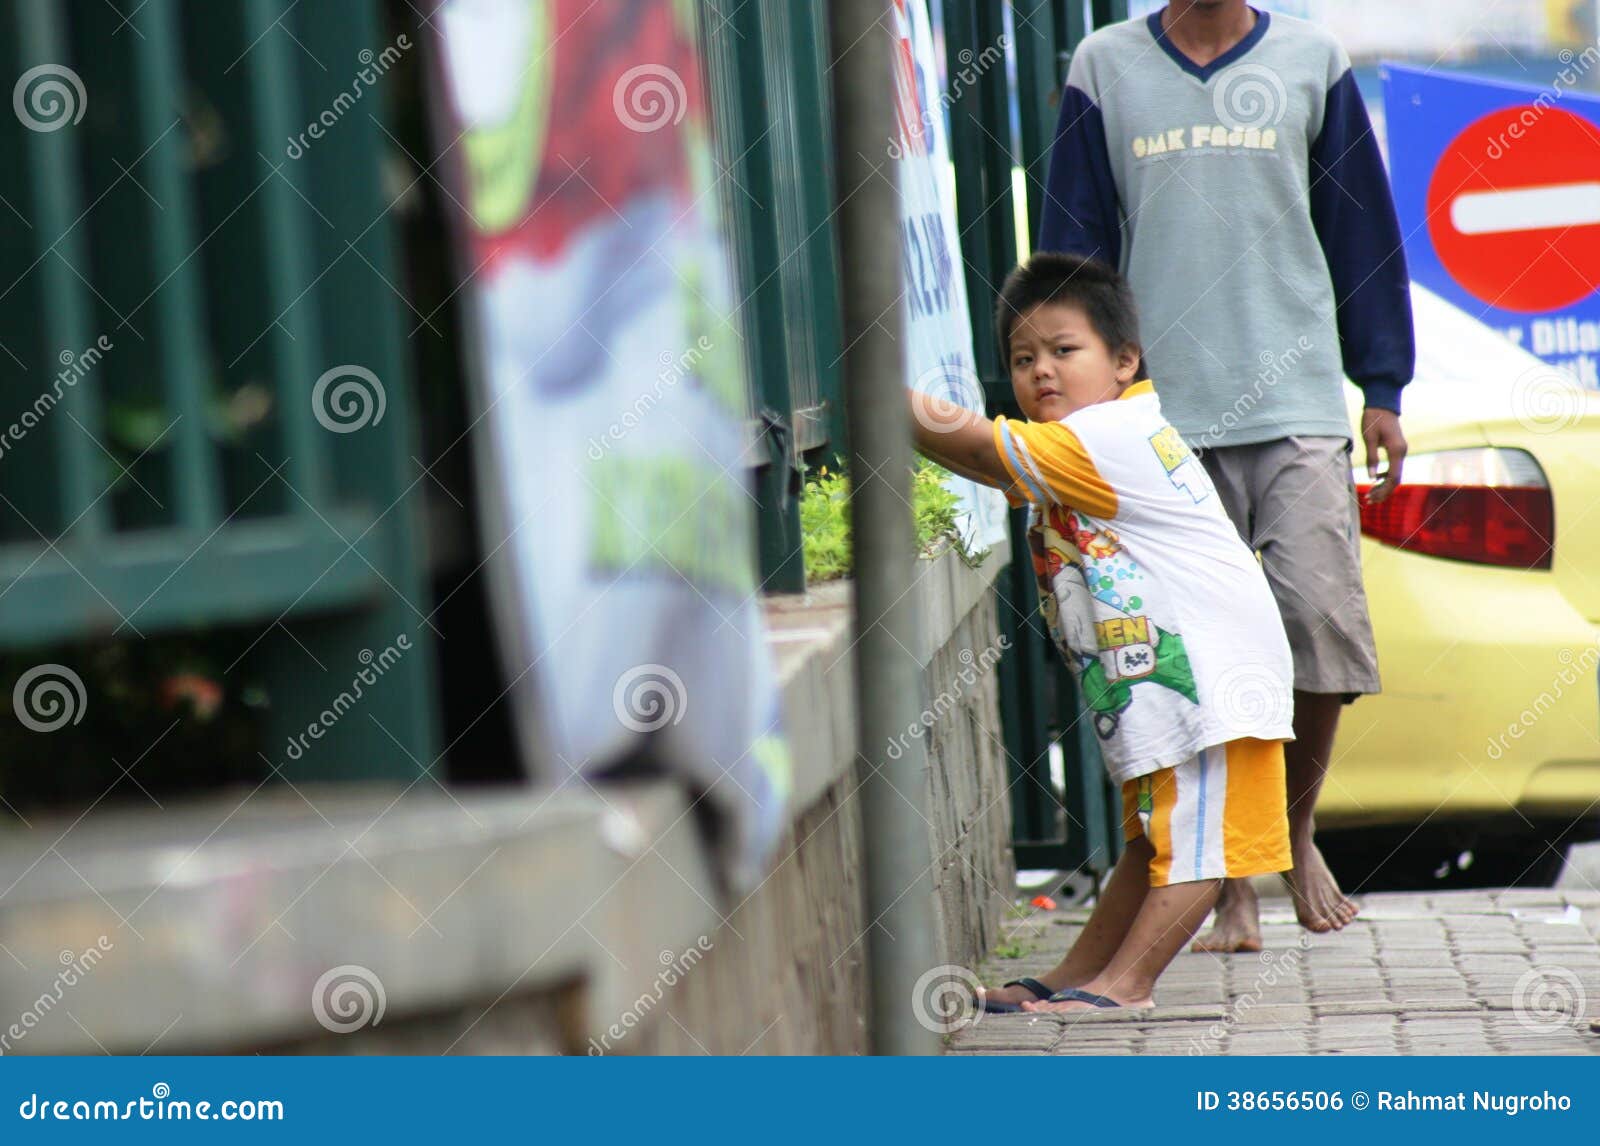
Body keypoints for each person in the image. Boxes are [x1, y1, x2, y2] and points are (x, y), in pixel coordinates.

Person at [1036, 0, 1415, 950]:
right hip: (1156, 423)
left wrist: (1383, 385)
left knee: (1318, 622)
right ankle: (1223, 876)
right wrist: (1076, 412)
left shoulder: (1310, 58)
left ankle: (1290, 828)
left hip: (1293, 405)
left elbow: (1361, 233)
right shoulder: (1104, 64)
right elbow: (1074, 252)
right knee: (1185, 662)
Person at [908, 253, 1293, 1012]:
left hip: (1214, 680)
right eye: (1023, 359)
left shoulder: (1110, 433)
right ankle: (1068, 979)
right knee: (1153, 843)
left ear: (1124, 361)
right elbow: (991, 462)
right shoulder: (1080, 441)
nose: (1041, 372)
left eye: (1063, 350)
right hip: (1165, 684)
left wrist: (872, 392)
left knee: (1198, 846)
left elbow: (983, 448)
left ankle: (1127, 985)